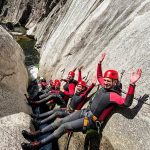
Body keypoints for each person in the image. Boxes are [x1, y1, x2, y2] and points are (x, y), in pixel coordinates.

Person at [21, 53, 142, 150]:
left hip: (91, 121)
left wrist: (132, 84)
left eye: (109, 81)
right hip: (85, 112)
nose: (105, 82)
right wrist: (100, 63)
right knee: (61, 121)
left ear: (115, 82)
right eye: (105, 80)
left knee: (64, 126)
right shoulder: (104, 86)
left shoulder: (113, 95)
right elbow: (99, 76)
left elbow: (126, 103)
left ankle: (37, 144)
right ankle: (36, 134)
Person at [31, 79, 95, 127]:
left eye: (80, 86)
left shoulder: (82, 95)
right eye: (78, 86)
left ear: (83, 88)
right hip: (67, 108)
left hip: (72, 112)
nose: (78, 87)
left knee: (56, 113)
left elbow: (86, 91)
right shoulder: (77, 93)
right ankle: (38, 116)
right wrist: (79, 71)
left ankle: (40, 122)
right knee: (55, 110)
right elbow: (78, 80)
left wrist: (92, 85)